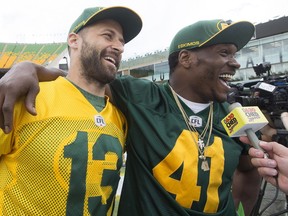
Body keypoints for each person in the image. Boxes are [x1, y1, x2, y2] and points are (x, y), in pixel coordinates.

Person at [0, 19, 262, 215]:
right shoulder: (138, 96)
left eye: (234, 54)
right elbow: (82, 81)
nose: (236, 62)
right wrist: (28, 68)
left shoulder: (236, 117)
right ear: (185, 58)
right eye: (224, 53)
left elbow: (250, 171)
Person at [0, 6, 142, 215]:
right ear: (74, 41)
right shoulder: (28, 97)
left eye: (121, 42)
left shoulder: (121, 117)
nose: (118, 47)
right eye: (108, 36)